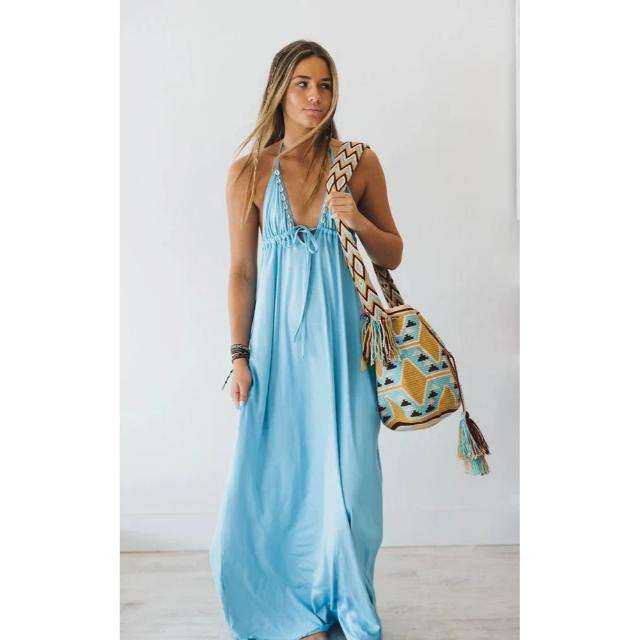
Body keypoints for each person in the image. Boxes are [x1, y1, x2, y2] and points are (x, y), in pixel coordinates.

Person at [210, 40, 403, 640]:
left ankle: (338, 600)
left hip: (345, 352)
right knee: (279, 481)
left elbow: (394, 252)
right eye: (302, 84)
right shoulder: (249, 172)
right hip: (277, 353)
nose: (315, 97)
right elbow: (242, 271)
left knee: (351, 483)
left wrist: (358, 221)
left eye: (325, 85)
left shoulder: (358, 162)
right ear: (279, 90)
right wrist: (240, 356)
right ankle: (294, 610)